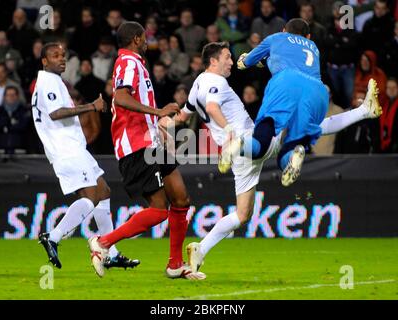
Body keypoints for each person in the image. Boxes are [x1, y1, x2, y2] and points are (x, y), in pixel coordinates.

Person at [158, 41, 382, 275]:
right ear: (213, 61)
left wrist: (163, 124)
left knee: (243, 214)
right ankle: (360, 113)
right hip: (249, 141)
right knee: (303, 122)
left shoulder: (196, 85)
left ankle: (200, 249)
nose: (231, 62)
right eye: (227, 57)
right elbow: (213, 108)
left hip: (242, 157)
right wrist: (229, 132)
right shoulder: (216, 82)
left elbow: (182, 117)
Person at [87, 21, 205, 280]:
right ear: (137, 39)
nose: (147, 40)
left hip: (152, 142)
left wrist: (157, 121)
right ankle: (103, 243)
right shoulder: (128, 62)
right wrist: (158, 111)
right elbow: (120, 97)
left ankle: (175, 264)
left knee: (182, 199)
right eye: (144, 37)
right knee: (160, 209)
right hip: (136, 145)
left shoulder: (135, 63)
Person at [224, 18, 381, 187]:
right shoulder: (313, 47)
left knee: (262, 138)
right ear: (308, 36)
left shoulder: (276, 38)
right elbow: (290, 56)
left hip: (286, 82)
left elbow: (246, 63)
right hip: (317, 90)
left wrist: (244, 60)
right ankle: (364, 110)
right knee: (307, 134)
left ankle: (240, 145)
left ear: (284, 30)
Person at [33, 42, 139, 271]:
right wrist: (91, 106)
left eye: (63, 55)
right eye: (54, 56)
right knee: (90, 196)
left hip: (74, 148)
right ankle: (53, 236)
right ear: (44, 61)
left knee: (103, 192)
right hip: (65, 149)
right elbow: (56, 113)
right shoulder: (47, 82)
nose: (61, 59)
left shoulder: (55, 81)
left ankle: (110, 252)